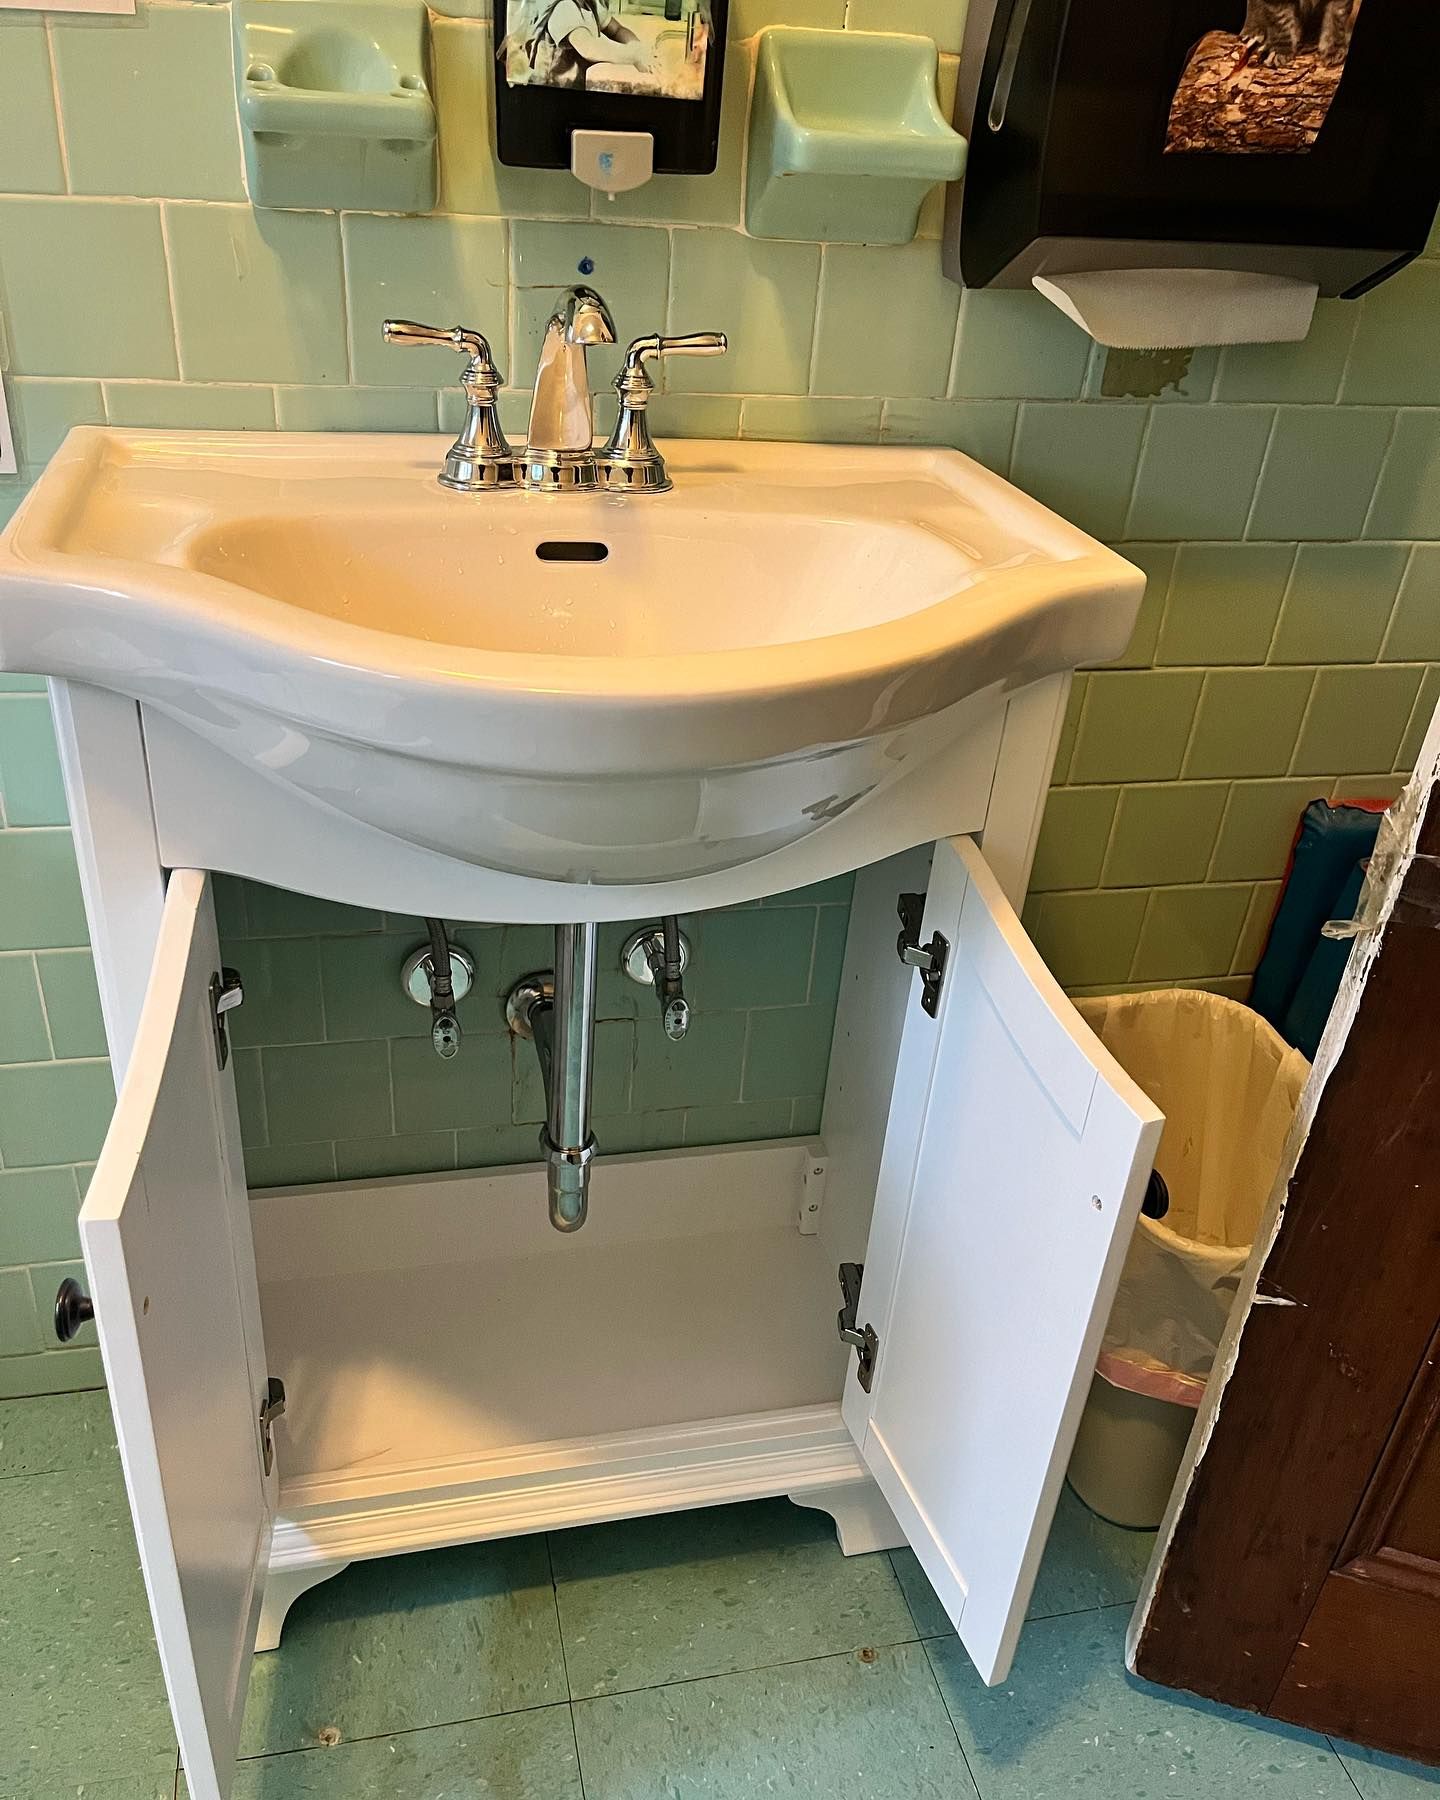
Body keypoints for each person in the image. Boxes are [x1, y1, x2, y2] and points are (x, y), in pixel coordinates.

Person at [512, 0, 653, 89]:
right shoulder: (564, 7)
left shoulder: (590, 3)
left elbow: (617, 30)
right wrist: (634, 56)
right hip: (552, 89)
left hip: (575, 84)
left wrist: (638, 48)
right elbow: (589, 48)